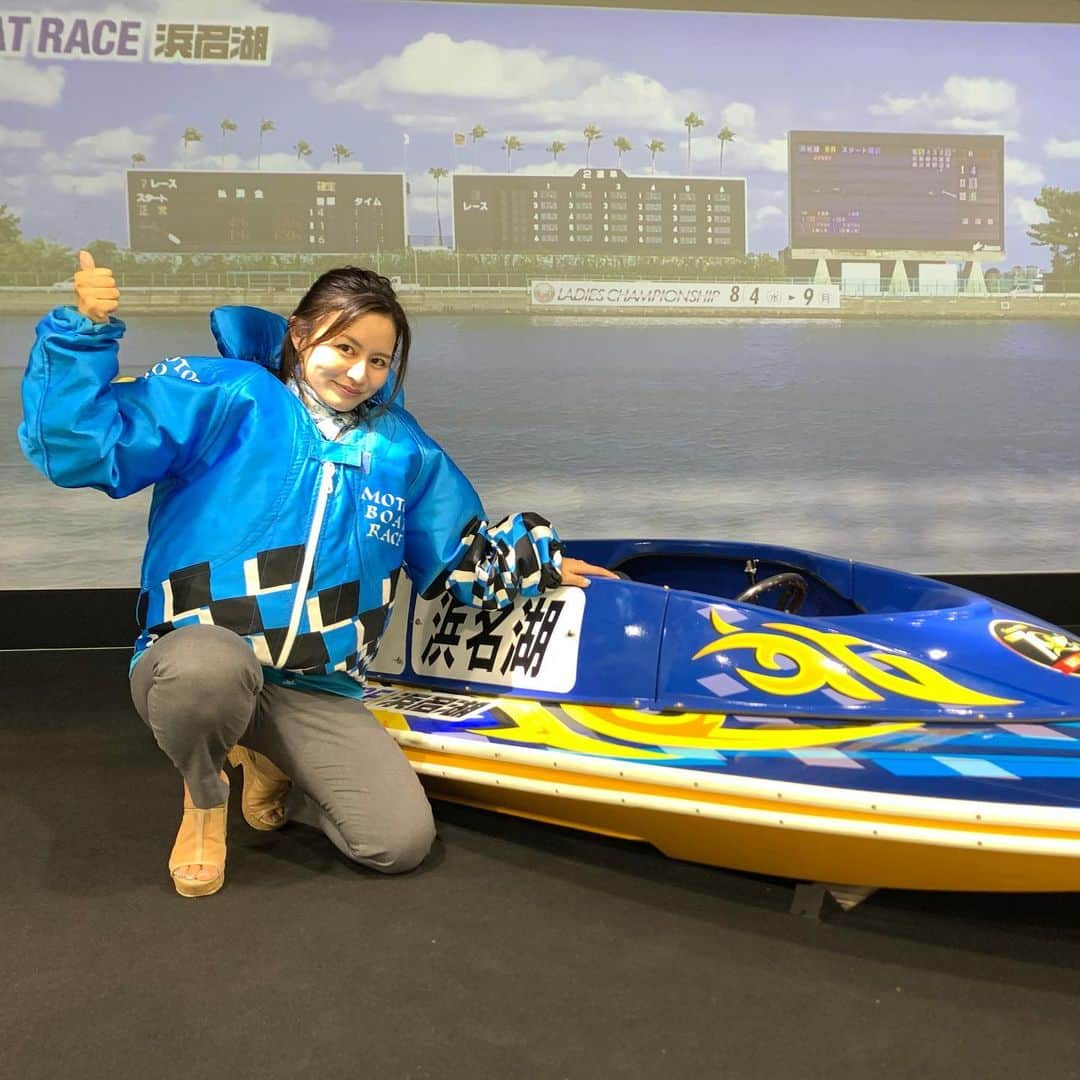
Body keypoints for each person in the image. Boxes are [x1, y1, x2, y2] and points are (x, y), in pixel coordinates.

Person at [19, 253, 615, 898]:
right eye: (344, 347)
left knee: (396, 844)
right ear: (300, 335)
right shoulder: (228, 395)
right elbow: (82, 450)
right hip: (199, 657)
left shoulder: (403, 448)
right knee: (206, 672)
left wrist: (537, 562)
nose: (359, 372)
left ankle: (267, 752)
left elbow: (455, 559)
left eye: (380, 360)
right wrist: (82, 333)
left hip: (316, 684)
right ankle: (204, 800)